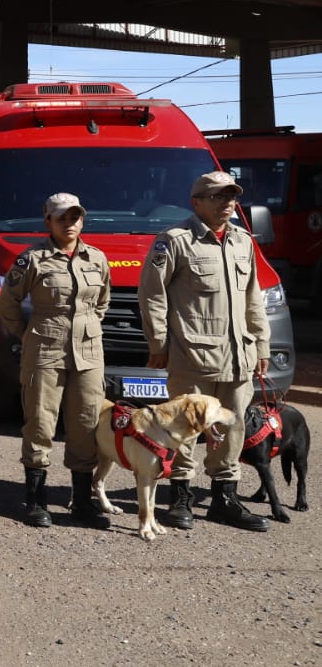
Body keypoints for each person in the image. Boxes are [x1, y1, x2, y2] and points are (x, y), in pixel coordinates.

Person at [138, 170, 271, 533]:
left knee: (233, 425)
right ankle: (180, 496)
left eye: (231, 197)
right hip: (191, 355)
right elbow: (152, 294)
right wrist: (159, 343)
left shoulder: (242, 240)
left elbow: (252, 298)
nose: (227, 203)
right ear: (196, 202)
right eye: (218, 197)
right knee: (186, 426)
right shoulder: (175, 241)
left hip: (238, 355)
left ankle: (224, 499)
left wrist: (261, 343)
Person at [0, 193, 112, 529]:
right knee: (40, 423)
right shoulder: (32, 260)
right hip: (45, 350)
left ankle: (82, 502)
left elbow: (102, 302)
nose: (70, 223)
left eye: (75, 217)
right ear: (48, 221)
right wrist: (29, 335)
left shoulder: (97, 258)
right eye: (62, 218)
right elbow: (8, 306)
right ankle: (36, 500)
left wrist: (86, 327)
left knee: (86, 423)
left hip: (89, 353)